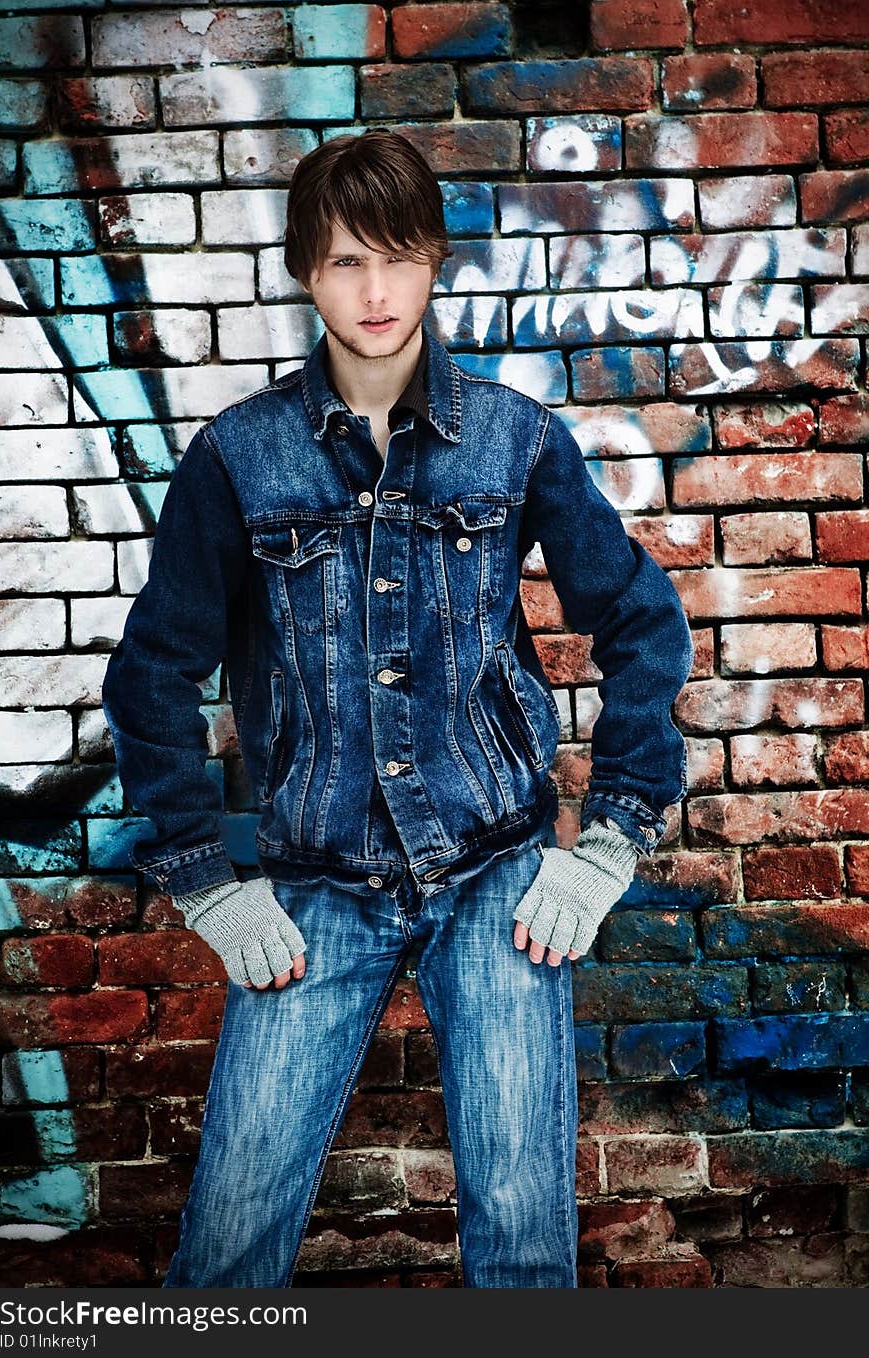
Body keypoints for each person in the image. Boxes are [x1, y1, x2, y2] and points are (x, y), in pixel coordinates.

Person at [101, 128, 694, 1289]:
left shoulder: (515, 442)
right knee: (228, 1239)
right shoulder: (240, 458)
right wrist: (203, 878)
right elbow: (150, 677)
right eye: (341, 263)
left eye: (398, 257)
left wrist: (612, 836)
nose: (374, 293)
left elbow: (639, 624)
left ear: (435, 261)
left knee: (524, 1236)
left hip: (498, 880)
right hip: (316, 880)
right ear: (302, 273)